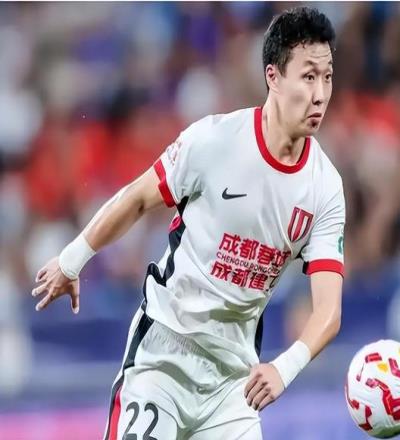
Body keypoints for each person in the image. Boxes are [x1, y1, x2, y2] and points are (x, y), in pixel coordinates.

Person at [32, 6, 345, 439]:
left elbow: (329, 311)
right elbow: (138, 198)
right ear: (273, 77)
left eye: (327, 77)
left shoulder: (325, 187)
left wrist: (284, 368)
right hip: (163, 358)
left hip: (233, 384)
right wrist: (71, 260)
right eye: (308, 76)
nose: (320, 94)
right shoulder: (215, 141)